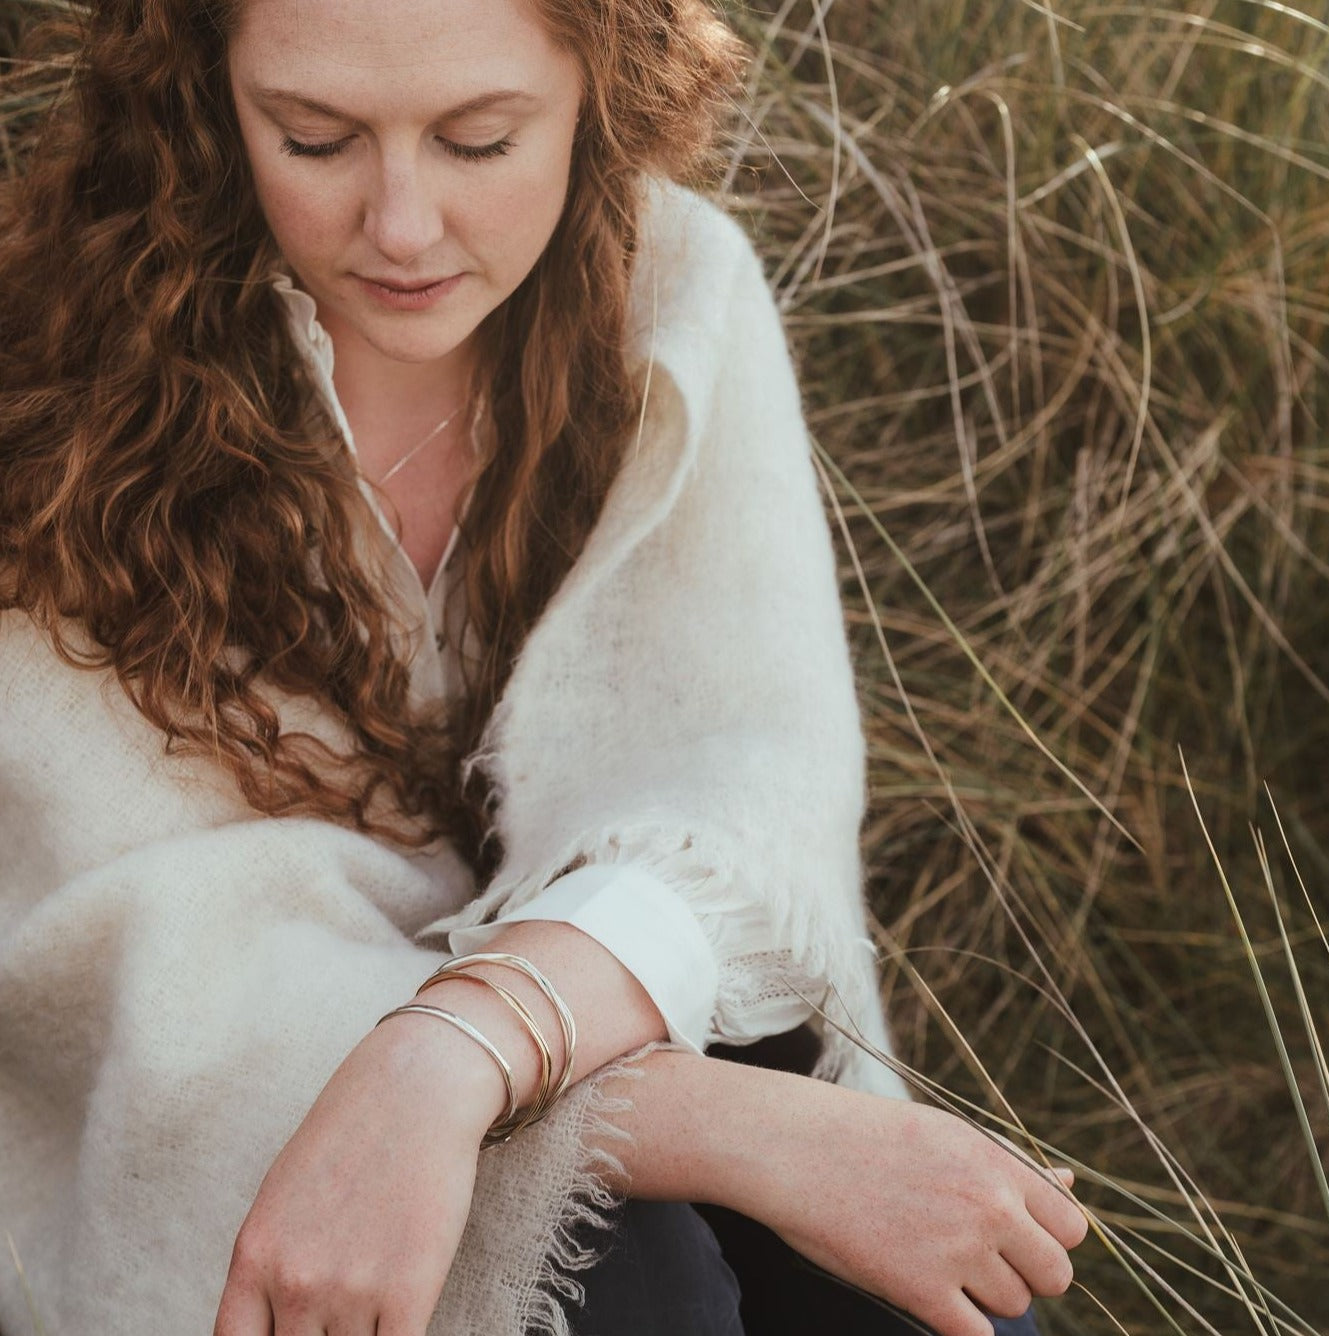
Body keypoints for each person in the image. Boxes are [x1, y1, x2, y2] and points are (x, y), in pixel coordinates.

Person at [0, 0, 1089, 1333]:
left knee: (929, 1307)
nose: (400, 224)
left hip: (594, 1008)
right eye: (314, 137)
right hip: (207, 1106)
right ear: (203, 93)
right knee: (627, 1271)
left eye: (479, 139)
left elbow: (734, 812)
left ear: (601, 89)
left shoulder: (673, 301)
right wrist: (717, 1125)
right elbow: (137, 964)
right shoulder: (55, 385)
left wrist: (450, 1061)